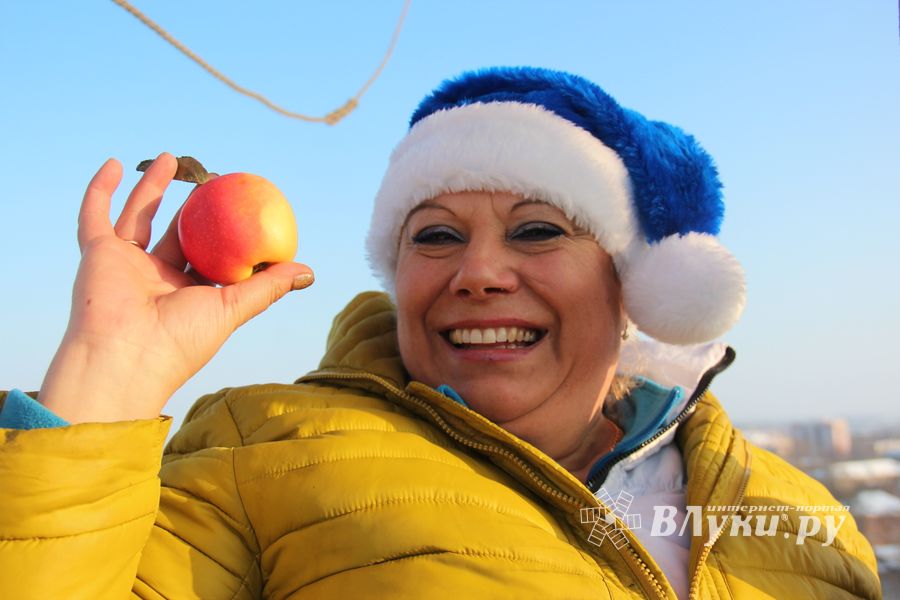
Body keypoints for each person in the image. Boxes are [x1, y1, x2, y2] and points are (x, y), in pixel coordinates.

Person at [0, 67, 881, 599]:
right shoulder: (260, 455)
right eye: (435, 236)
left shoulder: (807, 519)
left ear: (631, 284)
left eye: (538, 230)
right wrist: (108, 373)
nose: (478, 272)